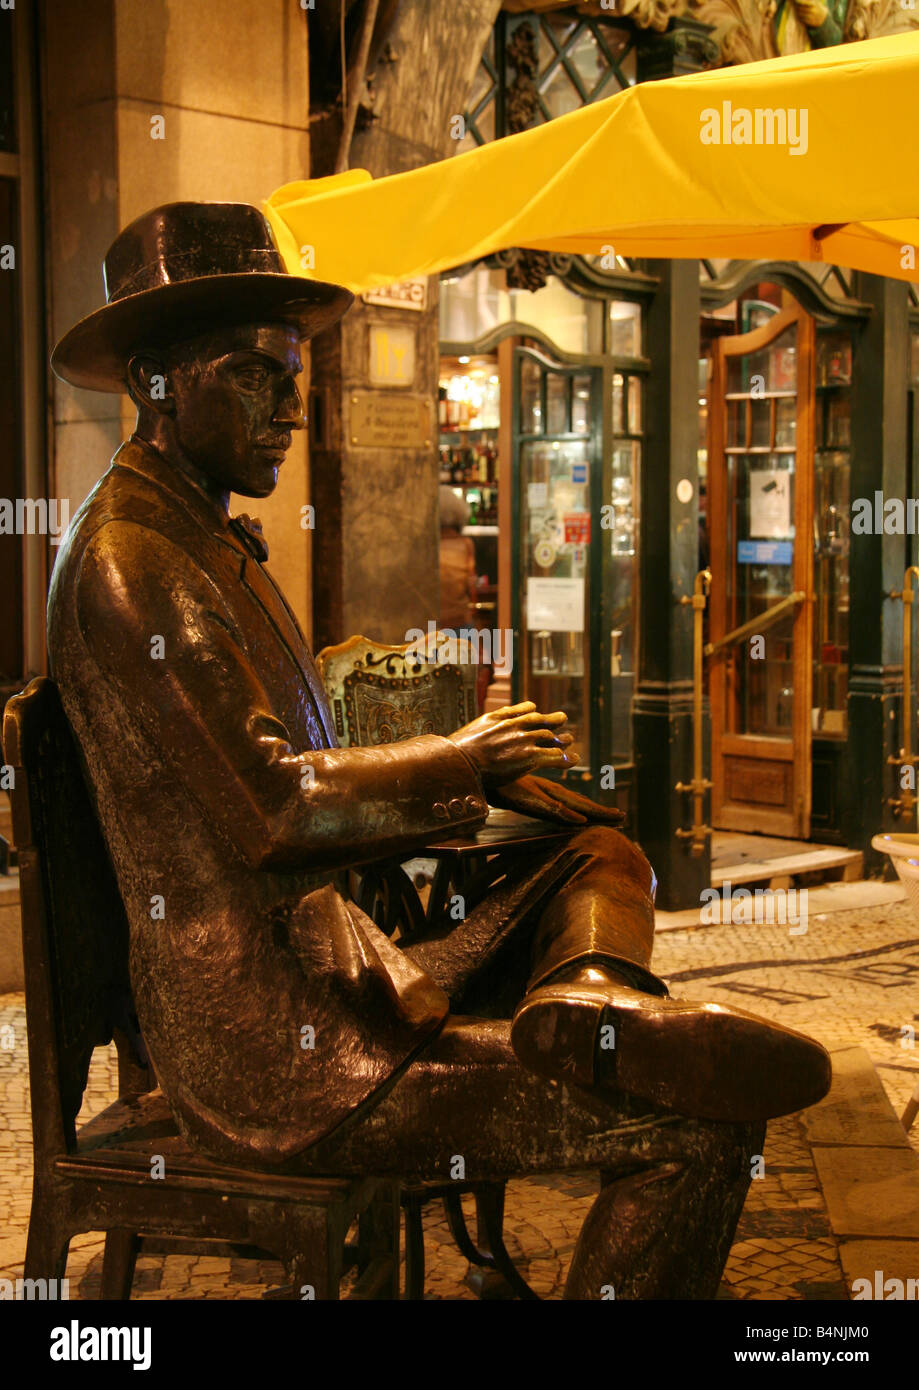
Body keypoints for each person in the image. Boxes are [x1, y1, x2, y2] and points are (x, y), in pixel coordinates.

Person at [46, 202, 831, 1297]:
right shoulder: (136, 563)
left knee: (597, 851)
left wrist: (472, 770)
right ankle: (604, 1029)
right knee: (697, 1129)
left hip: (343, 968)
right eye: (252, 375)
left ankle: (589, 1000)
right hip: (282, 1052)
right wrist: (458, 764)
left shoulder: (192, 530)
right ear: (156, 384)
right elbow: (273, 808)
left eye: (293, 374)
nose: (289, 405)